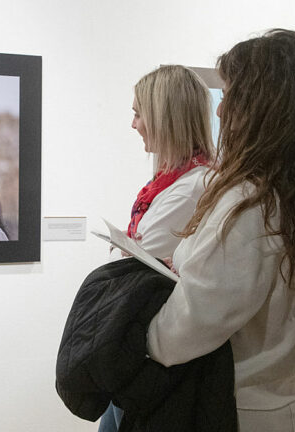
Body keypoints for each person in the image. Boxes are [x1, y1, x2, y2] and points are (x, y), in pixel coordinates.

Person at [146, 29, 295, 431]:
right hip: (279, 409)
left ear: (261, 105)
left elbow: (182, 332)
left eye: (231, 93)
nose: (219, 112)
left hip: (228, 412)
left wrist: (135, 335)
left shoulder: (249, 204)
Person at [99, 65, 214, 431]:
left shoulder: (193, 186)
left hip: (156, 355)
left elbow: (144, 266)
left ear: (164, 116)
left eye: (138, 113)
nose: (133, 124)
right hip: (146, 349)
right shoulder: (174, 181)